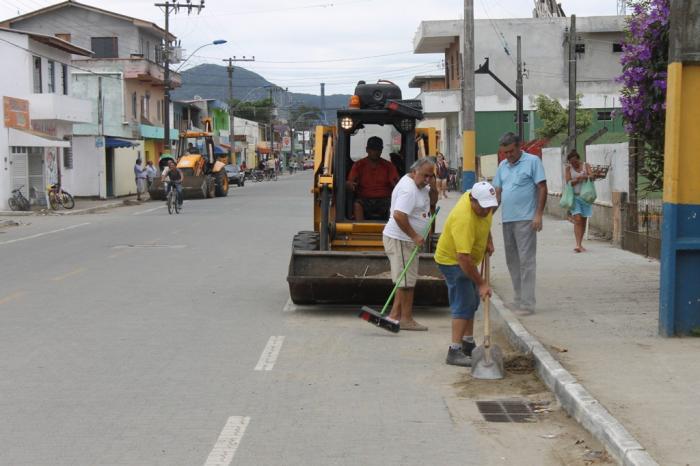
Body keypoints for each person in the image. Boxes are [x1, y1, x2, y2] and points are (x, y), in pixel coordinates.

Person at [434, 182, 497, 366]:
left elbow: (486, 223)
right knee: (463, 302)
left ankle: (468, 343)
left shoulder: (483, 204)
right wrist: (482, 283)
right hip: (453, 261)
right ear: (472, 200)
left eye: (490, 207)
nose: (487, 211)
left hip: (466, 259)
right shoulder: (465, 219)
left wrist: (488, 240)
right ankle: (454, 351)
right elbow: (463, 258)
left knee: (472, 302)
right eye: (483, 207)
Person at [492, 132, 547, 316]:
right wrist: (487, 215)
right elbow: (498, 192)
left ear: (519, 146)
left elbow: (542, 187)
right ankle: (518, 298)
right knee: (512, 261)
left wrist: (538, 214)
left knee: (526, 261)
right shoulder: (502, 166)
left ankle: (528, 303)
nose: (508, 155)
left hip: (526, 219)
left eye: (511, 151)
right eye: (505, 152)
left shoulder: (533, 162)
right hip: (507, 219)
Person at [382, 158, 438, 331]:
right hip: (401, 239)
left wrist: (433, 185)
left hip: (407, 240)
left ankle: (394, 316)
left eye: (431, 176)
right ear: (414, 172)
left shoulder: (421, 185)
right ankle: (406, 319)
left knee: (406, 280)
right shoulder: (409, 189)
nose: (427, 179)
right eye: (425, 176)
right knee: (406, 282)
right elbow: (399, 215)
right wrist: (415, 236)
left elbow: (434, 201)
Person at [346, 136, 399, 220]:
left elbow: (395, 183)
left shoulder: (389, 166)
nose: (375, 152)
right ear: (367, 150)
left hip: (385, 200)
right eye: (372, 149)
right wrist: (349, 185)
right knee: (357, 204)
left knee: (394, 204)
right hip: (364, 200)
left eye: (378, 149)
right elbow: (351, 182)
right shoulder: (358, 165)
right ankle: (359, 229)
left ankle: (391, 228)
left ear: (381, 150)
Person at [565, 150, 593, 253]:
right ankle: (577, 244)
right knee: (577, 219)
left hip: (585, 197)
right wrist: (578, 179)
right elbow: (568, 182)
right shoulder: (568, 169)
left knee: (583, 220)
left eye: (575, 162)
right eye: (571, 163)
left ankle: (580, 244)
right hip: (575, 197)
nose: (574, 164)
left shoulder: (586, 165)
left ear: (578, 159)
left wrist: (585, 176)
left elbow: (592, 176)